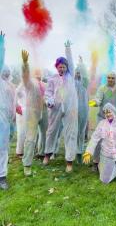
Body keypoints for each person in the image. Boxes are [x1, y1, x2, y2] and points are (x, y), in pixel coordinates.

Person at [43, 40, 78, 173]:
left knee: (70, 133)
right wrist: (49, 101)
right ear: (56, 67)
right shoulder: (52, 79)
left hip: (70, 109)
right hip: (56, 108)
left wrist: (68, 48)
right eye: (60, 67)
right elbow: (48, 93)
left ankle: (69, 161)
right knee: (51, 131)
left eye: (64, 66)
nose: (62, 68)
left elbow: (71, 61)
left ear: (67, 67)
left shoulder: (71, 76)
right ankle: (47, 154)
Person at [89, 71, 116, 170]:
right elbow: (98, 100)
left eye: (113, 78)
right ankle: (96, 162)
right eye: (109, 78)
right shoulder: (102, 88)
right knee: (100, 140)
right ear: (106, 78)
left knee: (114, 140)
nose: (110, 79)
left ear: (115, 79)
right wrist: (93, 103)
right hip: (102, 118)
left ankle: (113, 162)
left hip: (114, 120)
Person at [20, 50, 46, 176]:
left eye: (40, 72)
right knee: (30, 137)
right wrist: (25, 64)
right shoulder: (31, 83)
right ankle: (27, 165)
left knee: (45, 134)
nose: (38, 74)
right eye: (36, 72)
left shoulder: (45, 85)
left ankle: (42, 153)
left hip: (44, 111)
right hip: (32, 112)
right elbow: (25, 77)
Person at [0, 31, 16, 190]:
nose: (6, 72)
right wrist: (1, 46)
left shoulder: (10, 87)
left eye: (7, 71)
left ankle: (2, 176)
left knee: (3, 148)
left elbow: (13, 104)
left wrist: (12, 120)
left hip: (5, 122)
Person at [75, 56, 89, 164]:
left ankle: (80, 152)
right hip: (74, 111)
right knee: (74, 132)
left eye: (80, 73)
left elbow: (85, 77)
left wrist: (81, 64)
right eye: (77, 72)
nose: (78, 75)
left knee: (82, 131)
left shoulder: (85, 83)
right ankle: (74, 151)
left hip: (83, 110)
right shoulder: (72, 83)